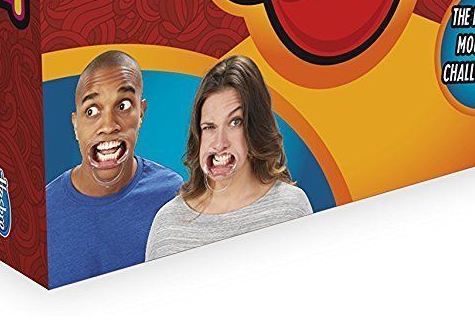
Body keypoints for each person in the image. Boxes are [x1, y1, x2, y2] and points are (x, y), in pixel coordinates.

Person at [145, 56, 312, 260]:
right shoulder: (168, 225)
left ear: (255, 128)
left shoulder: (290, 208)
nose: (219, 143)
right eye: (209, 127)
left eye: (235, 123)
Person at [45, 50, 183, 288]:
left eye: (123, 105)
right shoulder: (42, 211)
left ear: (141, 113)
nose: (108, 125)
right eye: (92, 110)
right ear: (76, 125)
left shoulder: (173, 195)